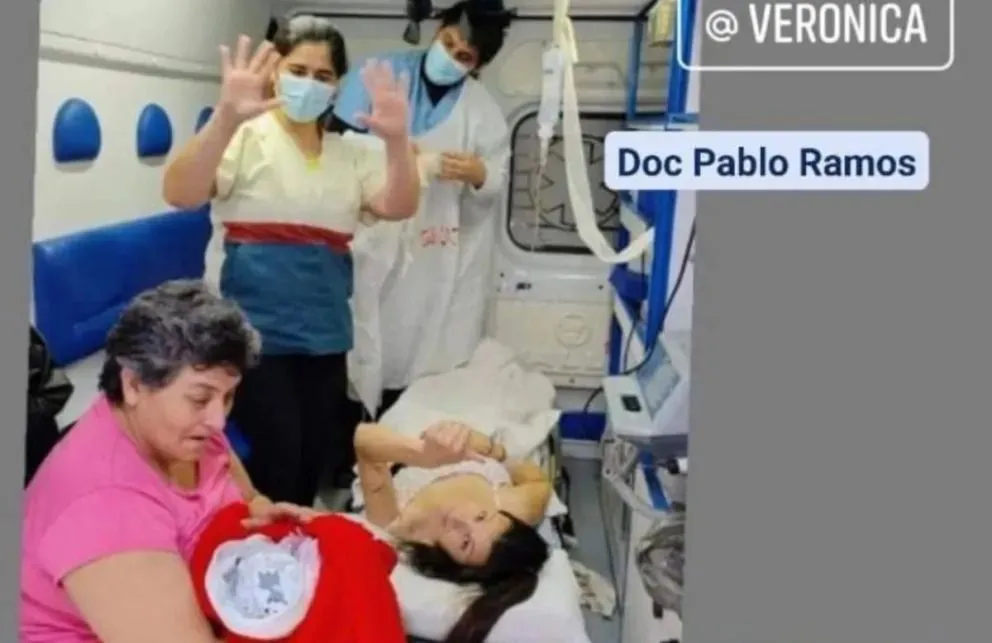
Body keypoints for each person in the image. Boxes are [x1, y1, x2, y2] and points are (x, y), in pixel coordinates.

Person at [162, 18, 422, 505]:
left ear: (338, 86)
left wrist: (397, 141)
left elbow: (399, 205)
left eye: (323, 76)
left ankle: (294, 542)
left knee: (311, 458)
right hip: (256, 337)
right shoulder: (246, 136)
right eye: (298, 70)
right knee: (278, 460)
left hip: (325, 334)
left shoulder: (350, 154)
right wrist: (225, 116)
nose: (309, 84)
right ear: (276, 73)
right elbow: (179, 192)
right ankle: (266, 545)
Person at [20, 280, 321, 643]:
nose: (218, 421)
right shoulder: (105, 510)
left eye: (227, 397)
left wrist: (263, 514)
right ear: (134, 385)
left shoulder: (181, 432)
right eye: (200, 399)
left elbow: (250, 498)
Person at [330, 0, 516, 420]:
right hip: (368, 231)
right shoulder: (379, 74)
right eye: (448, 43)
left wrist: (480, 174)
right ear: (436, 30)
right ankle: (350, 437)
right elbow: (337, 149)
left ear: (479, 65)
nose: (451, 58)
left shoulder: (483, 112)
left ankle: (400, 433)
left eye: (464, 56)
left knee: (415, 345)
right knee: (359, 339)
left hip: (433, 247)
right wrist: (406, 158)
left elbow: (496, 181)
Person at [353, 419, 553, 643]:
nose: (460, 518)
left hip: (408, 435)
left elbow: (364, 440)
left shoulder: (400, 524)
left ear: (453, 564)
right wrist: (495, 451)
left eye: (465, 543)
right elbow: (539, 481)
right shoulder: (508, 508)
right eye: (480, 517)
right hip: (479, 434)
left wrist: (420, 452)